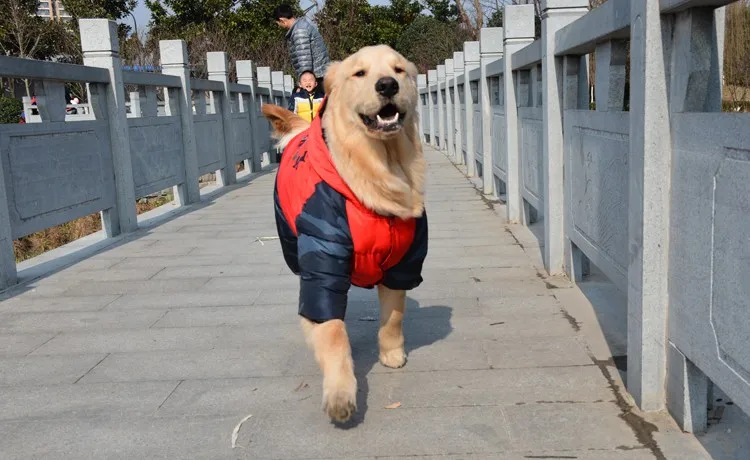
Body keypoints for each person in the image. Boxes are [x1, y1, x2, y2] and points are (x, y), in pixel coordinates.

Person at [273, 4, 330, 87]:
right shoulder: (301, 26)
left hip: (317, 77)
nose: (279, 26)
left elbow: (305, 60)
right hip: (318, 75)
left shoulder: (299, 31)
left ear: (282, 20)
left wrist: (304, 82)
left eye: (278, 23)